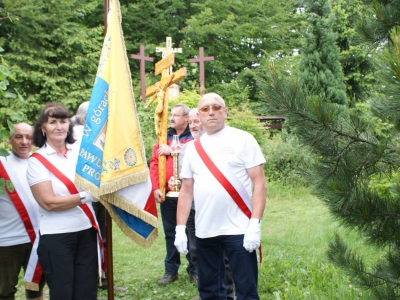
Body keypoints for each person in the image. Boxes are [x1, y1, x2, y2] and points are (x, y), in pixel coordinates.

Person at [175, 93, 267, 300]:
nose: (211, 112)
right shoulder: (191, 149)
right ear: (198, 115)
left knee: (246, 290)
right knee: (210, 291)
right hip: (205, 230)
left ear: (225, 112)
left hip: (239, 229)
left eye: (216, 107)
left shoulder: (243, 139)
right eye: (205, 109)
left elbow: (260, 184)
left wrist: (255, 224)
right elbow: (186, 190)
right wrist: (180, 228)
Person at [26, 102, 100, 300]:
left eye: (63, 121)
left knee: (87, 292)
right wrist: (87, 196)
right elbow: (49, 202)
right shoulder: (36, 160)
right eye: (52, 122)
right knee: (63, 293)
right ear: (43, 128)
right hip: (57, 236)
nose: (59, 126)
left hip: (85, 231)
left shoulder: (79, 152)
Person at [169, 108, 235, 300]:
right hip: (195, 209)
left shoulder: (225, 145)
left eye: (197, 121)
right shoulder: (188, 148)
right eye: (191, 122)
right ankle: (208, 290)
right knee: (197, 251)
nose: (194, 125)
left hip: (219, 209)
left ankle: (227, 291)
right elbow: (185, 181)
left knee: (223, 253)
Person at [150, 103, 197, 286]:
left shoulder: (193, 137)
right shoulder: (163, 137)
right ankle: (171, 270)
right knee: (170, 233)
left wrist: (174, 151)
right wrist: (156, 187)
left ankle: (195, 269)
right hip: (168, 194)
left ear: (186, 118)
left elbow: (193, 155)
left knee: (191, 233)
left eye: (176, 115)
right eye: (171, 115)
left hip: (188, 195)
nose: (171, 118)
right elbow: (154, 163)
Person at [0, 123, 45, 300]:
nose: (24, 141)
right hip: (7, 239)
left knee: (36, 289)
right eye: (19, 136)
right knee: (5, 291)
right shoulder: (2, 163)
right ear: (10, 138)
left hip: (37, 238)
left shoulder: (40, 162)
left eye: (29, 137)